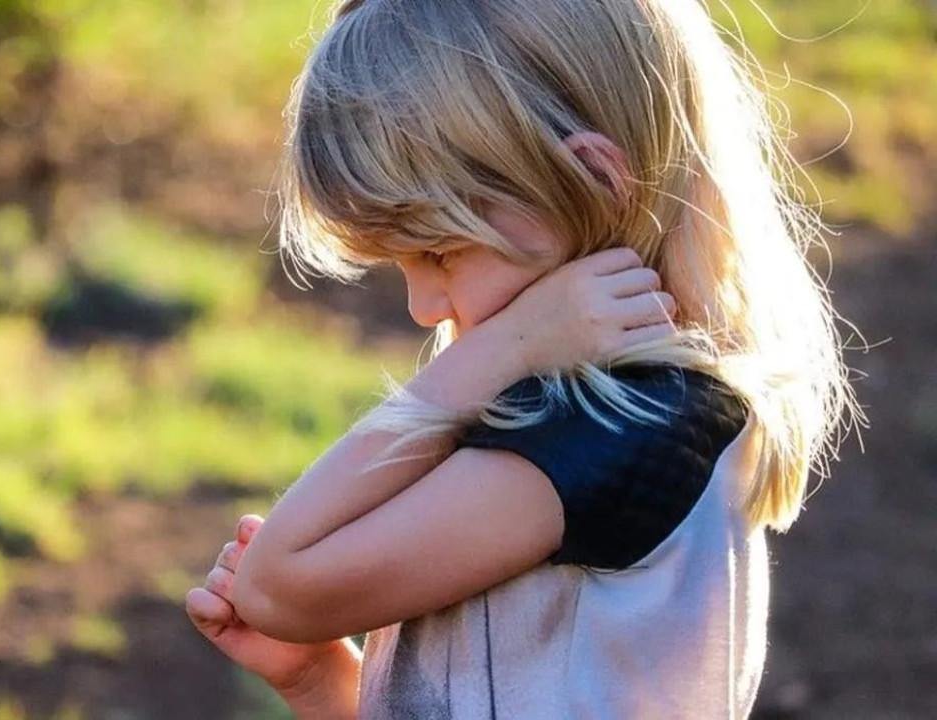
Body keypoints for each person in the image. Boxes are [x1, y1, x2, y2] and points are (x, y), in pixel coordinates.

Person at [186, 0, 860, 717]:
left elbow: (276, 585)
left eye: (439, 251)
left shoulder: (617, 429)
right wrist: (322, 682)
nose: (423, 306)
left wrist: (489, 356)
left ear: (593, 180)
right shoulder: (567, 408)